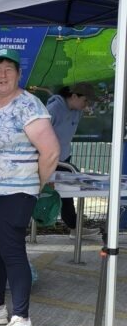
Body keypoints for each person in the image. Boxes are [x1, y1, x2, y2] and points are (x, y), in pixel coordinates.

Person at [0, 49, 60, 326]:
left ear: (19, 74)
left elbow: (51, 152)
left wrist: (35, 185)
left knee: (12, 254)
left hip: (14, 193)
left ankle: (22, 318)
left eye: (8, 69)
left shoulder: (29, 106)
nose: (2, 75)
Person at [46, 82, 100, 239]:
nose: (87, 105)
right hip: (48, 159)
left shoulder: (77, 111)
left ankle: (74, 227)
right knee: (40, 194)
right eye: (86, 100)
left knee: (67, 195)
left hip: (64, 158)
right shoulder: (53, 110)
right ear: (74, 96)